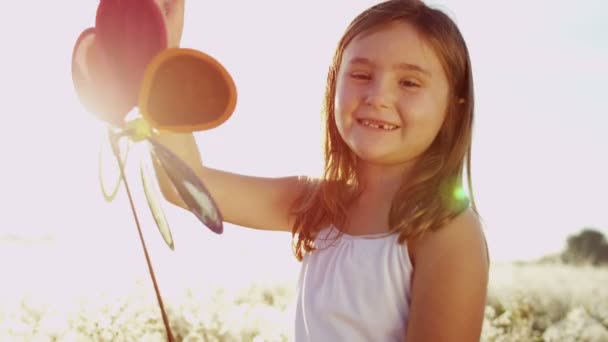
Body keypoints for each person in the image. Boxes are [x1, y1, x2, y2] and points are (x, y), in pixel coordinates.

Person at [153, 0, 490, 340]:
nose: (378, 96)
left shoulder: (447, 230)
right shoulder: (319, 204)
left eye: (410, 83)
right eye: (361, 75)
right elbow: (188, 184)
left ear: (454, 107)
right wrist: (160, 58)